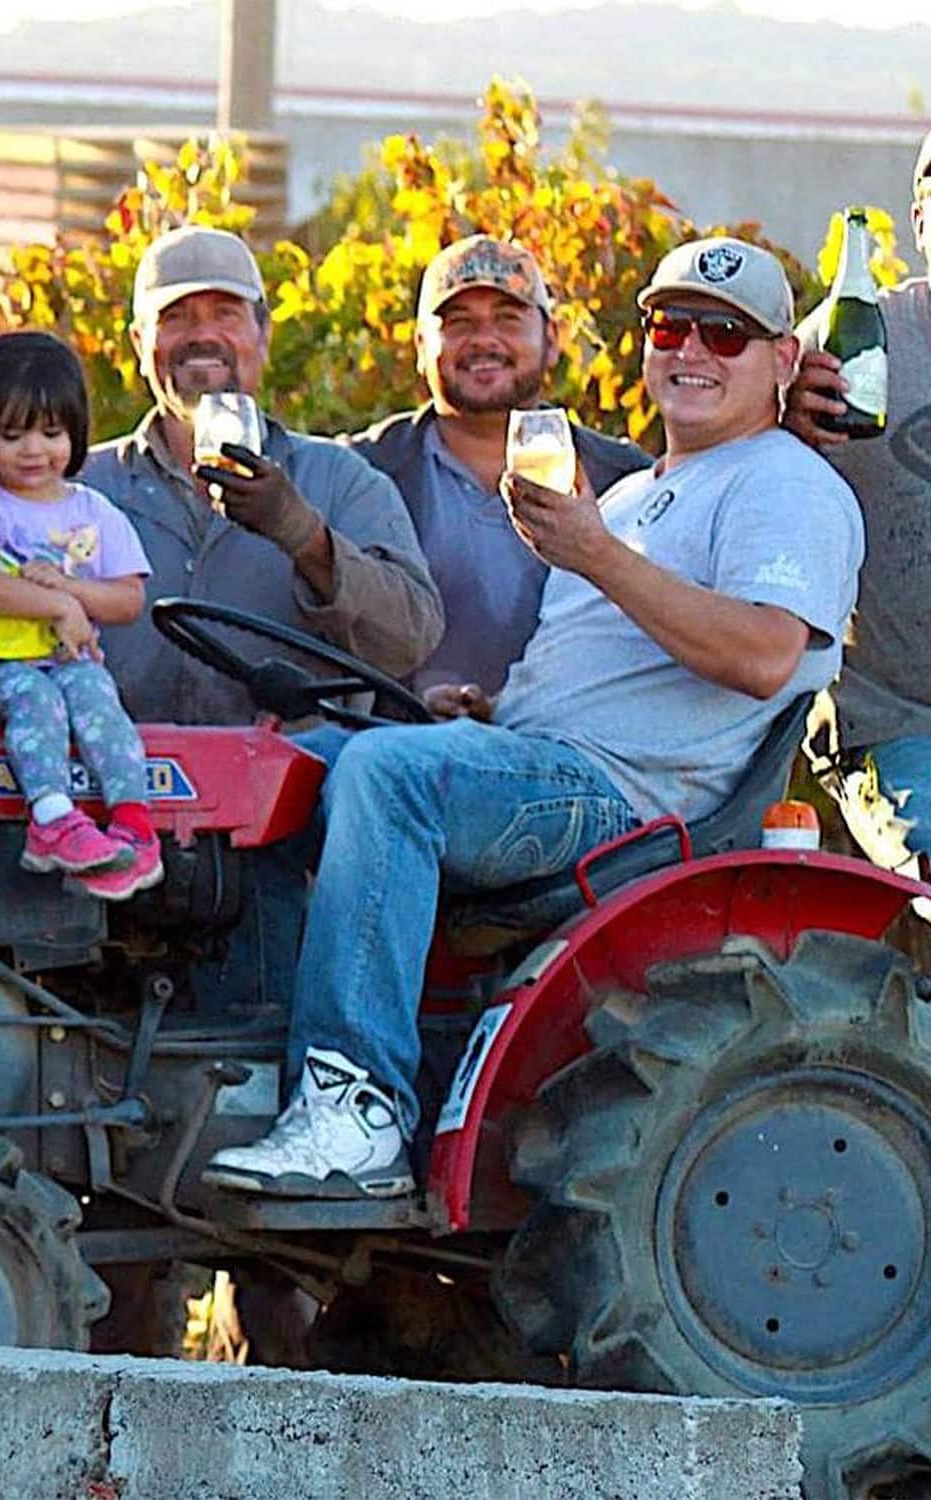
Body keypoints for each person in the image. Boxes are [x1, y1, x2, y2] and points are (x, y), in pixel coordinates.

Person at [203, 237, 862, 1200]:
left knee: (390, 777)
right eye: (672, 326)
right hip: (539, 757)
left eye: (727, 334)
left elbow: (765, 656)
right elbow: (595, 673)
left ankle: (355, 1111)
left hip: (627, 799)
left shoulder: (784, 485)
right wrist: (482, 712)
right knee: (269, 769)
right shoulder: (634, 494)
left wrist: (597, 555)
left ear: (784, 361)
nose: (693, 351)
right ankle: (239, 1065)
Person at [82, 225, 442, 727]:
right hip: (112, 794)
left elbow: (409, 641)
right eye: (176, 317)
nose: (201, 335)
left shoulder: (341, 482)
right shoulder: (81, 487)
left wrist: (305, 537)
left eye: (225, 314)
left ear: (263, 335)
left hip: (295, 796)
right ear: (141, 343)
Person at [349, 235, 650, 692]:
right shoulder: (362, 473)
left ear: (551, 340)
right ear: (420, 346)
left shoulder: (624, 479)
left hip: (572, 748)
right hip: (403, 744)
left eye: (508, 319)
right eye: (459, 323)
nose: (483, 340)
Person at [0, 331, 161, 900]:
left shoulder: (94, 512)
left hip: (67, 660)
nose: (33, 450)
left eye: (50, 433)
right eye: (13, 434)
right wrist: (57, 604)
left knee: (99, 693)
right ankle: (51, 817)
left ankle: (132, 819)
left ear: (74, 433)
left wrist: (71, 590)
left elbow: (128, 598)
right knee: (36, 697)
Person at [786, 131, 931, 882]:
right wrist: (786, 430)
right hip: (899, 725)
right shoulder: (859, 334)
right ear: (918, 215)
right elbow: (742, 474)